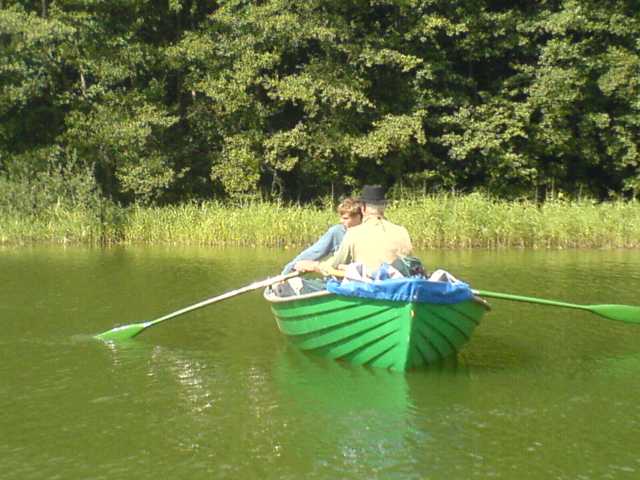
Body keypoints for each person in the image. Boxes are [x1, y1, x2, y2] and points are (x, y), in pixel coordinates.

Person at [295, 184, 412, 274]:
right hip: (397, 288)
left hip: (367, 288)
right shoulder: (402, 231)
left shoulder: (353, 233)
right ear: (384, 207)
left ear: (363, 208)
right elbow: (409, 265)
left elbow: (333, 266)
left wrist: (313, 266)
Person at [280, 197, 362, 274]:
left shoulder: (366, 233)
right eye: (341, 218)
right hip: (338, 280)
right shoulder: (337, 231)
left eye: (346, 218)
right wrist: (289, 268)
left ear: (358, 217)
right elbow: (314, 252)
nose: (341, 221)